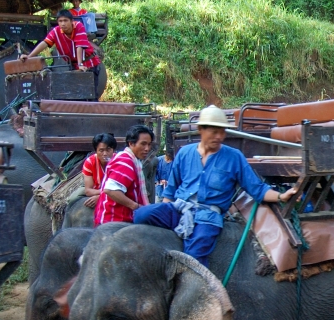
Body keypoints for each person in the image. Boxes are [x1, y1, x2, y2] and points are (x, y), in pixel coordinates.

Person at [133, 105, 297, 266]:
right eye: (214, 131)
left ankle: (198, 290)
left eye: (222, 131)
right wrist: (165, 214)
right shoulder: (184, 153)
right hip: (180, 208)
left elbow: (257, 189)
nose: (219, 136)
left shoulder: (234, 157)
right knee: (141, 215)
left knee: (194, 258)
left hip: (208, 218)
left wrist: (281, 196)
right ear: (201, 130)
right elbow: (170, 191)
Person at [19, 9, 103, 99]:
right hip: (73, 65)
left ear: (71, 21)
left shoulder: (79, 26)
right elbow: (45, 43)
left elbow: (80, 46)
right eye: (60, 21)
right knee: (76, 95)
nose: (63, 24)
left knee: (91, 94)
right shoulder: (56, 31)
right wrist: (29, 56)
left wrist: (80, 64)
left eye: (65, 21)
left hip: (89, 63)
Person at [95, 125, 153, 225]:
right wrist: (136, 207)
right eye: (143, 144)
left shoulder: (131, 160)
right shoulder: (125, 162)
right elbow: (111, 190)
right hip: (115, 222)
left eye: (149, 144)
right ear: (131, 143)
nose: (147, 148)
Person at [82, 133, 117, 209]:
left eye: (108, 150)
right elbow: (88, 190)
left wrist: (100, 197)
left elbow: (121, 190)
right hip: (97, 189)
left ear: (113, 150)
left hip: (115, 194)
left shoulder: (119, 162)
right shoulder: (90, 162)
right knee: (72, 199)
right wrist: (104, 194)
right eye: (101, 150)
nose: (105, 154)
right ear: (96, 151)